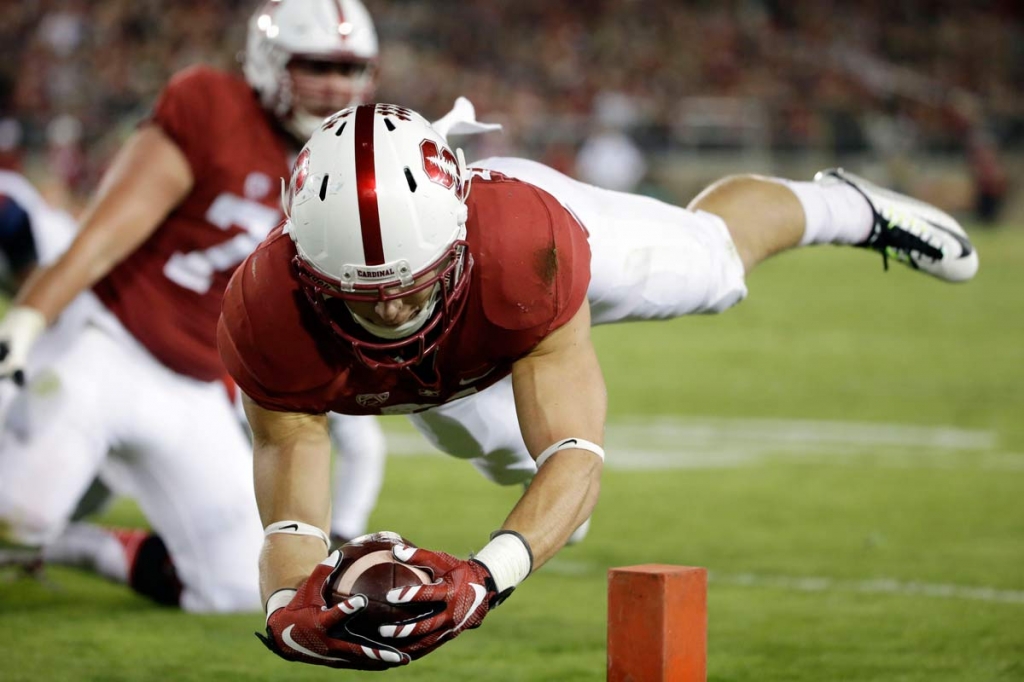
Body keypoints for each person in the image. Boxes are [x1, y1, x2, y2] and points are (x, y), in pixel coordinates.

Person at [217, 103, 978, 668]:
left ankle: (848, 207)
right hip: (443, 383)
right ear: (305, 269)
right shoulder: (265, 311)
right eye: (360, 293)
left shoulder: (522, 246)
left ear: (452, 237)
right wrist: (289, 610)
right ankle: (530, 505)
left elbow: (577, 452)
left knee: (707, 266)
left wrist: (486, 579)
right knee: (507, 467)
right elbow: (292, 513)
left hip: (526, 282)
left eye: (411, 286)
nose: (388, 306)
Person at [0, 0, 388, 612]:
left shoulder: (343, 163)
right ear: (270, 62)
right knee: (18, 515)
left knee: (240, 584)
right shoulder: (212, 106)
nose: (337, 84)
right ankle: (32, 534)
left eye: (350, 68)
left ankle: (71, 548)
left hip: (198, 386)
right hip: (106, 342)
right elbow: (106, 231)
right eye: (316, 64)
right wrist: (32, 313)